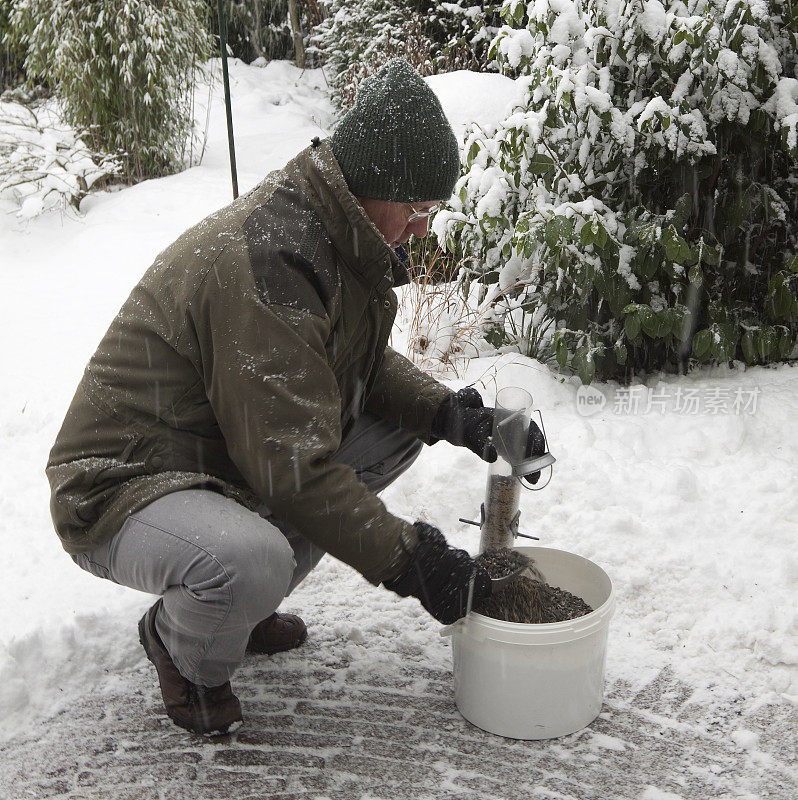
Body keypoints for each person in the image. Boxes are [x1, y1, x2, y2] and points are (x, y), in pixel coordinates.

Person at [46, 59, 545, 736]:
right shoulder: (271, 260)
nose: (425, 228)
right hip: (123, 483)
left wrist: (456, 415)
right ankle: (182, 647)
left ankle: (236, 609)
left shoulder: (332, 235)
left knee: (398, 427)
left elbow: (359, 366)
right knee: (248, 560)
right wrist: (417, 562)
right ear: (376, 188)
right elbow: (292, 470)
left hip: (217, 455)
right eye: (420, 209)